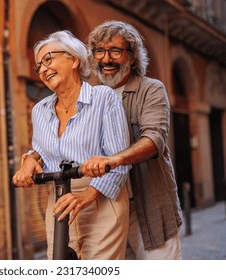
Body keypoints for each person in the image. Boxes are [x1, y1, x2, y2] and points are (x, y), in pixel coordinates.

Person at [12, 30, 131, 260]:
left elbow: (120, 161)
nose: (43, 69)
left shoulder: (103, 98)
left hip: (101, 199)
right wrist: (29, 160)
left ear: (74, 60)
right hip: (59, 200)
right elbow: (43, 151)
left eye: (48, 59)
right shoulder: (40, 110)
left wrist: (88, 194)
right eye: (39, 67)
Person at [84, 20, 183, 260]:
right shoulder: (89, 96)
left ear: (132, 56)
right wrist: (32, 155)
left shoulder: (151, 89)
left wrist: (113, 160)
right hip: (106, 208)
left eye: (116, 51)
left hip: (148, 206)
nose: (106, 59)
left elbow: (154, 138)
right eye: (100, 51)